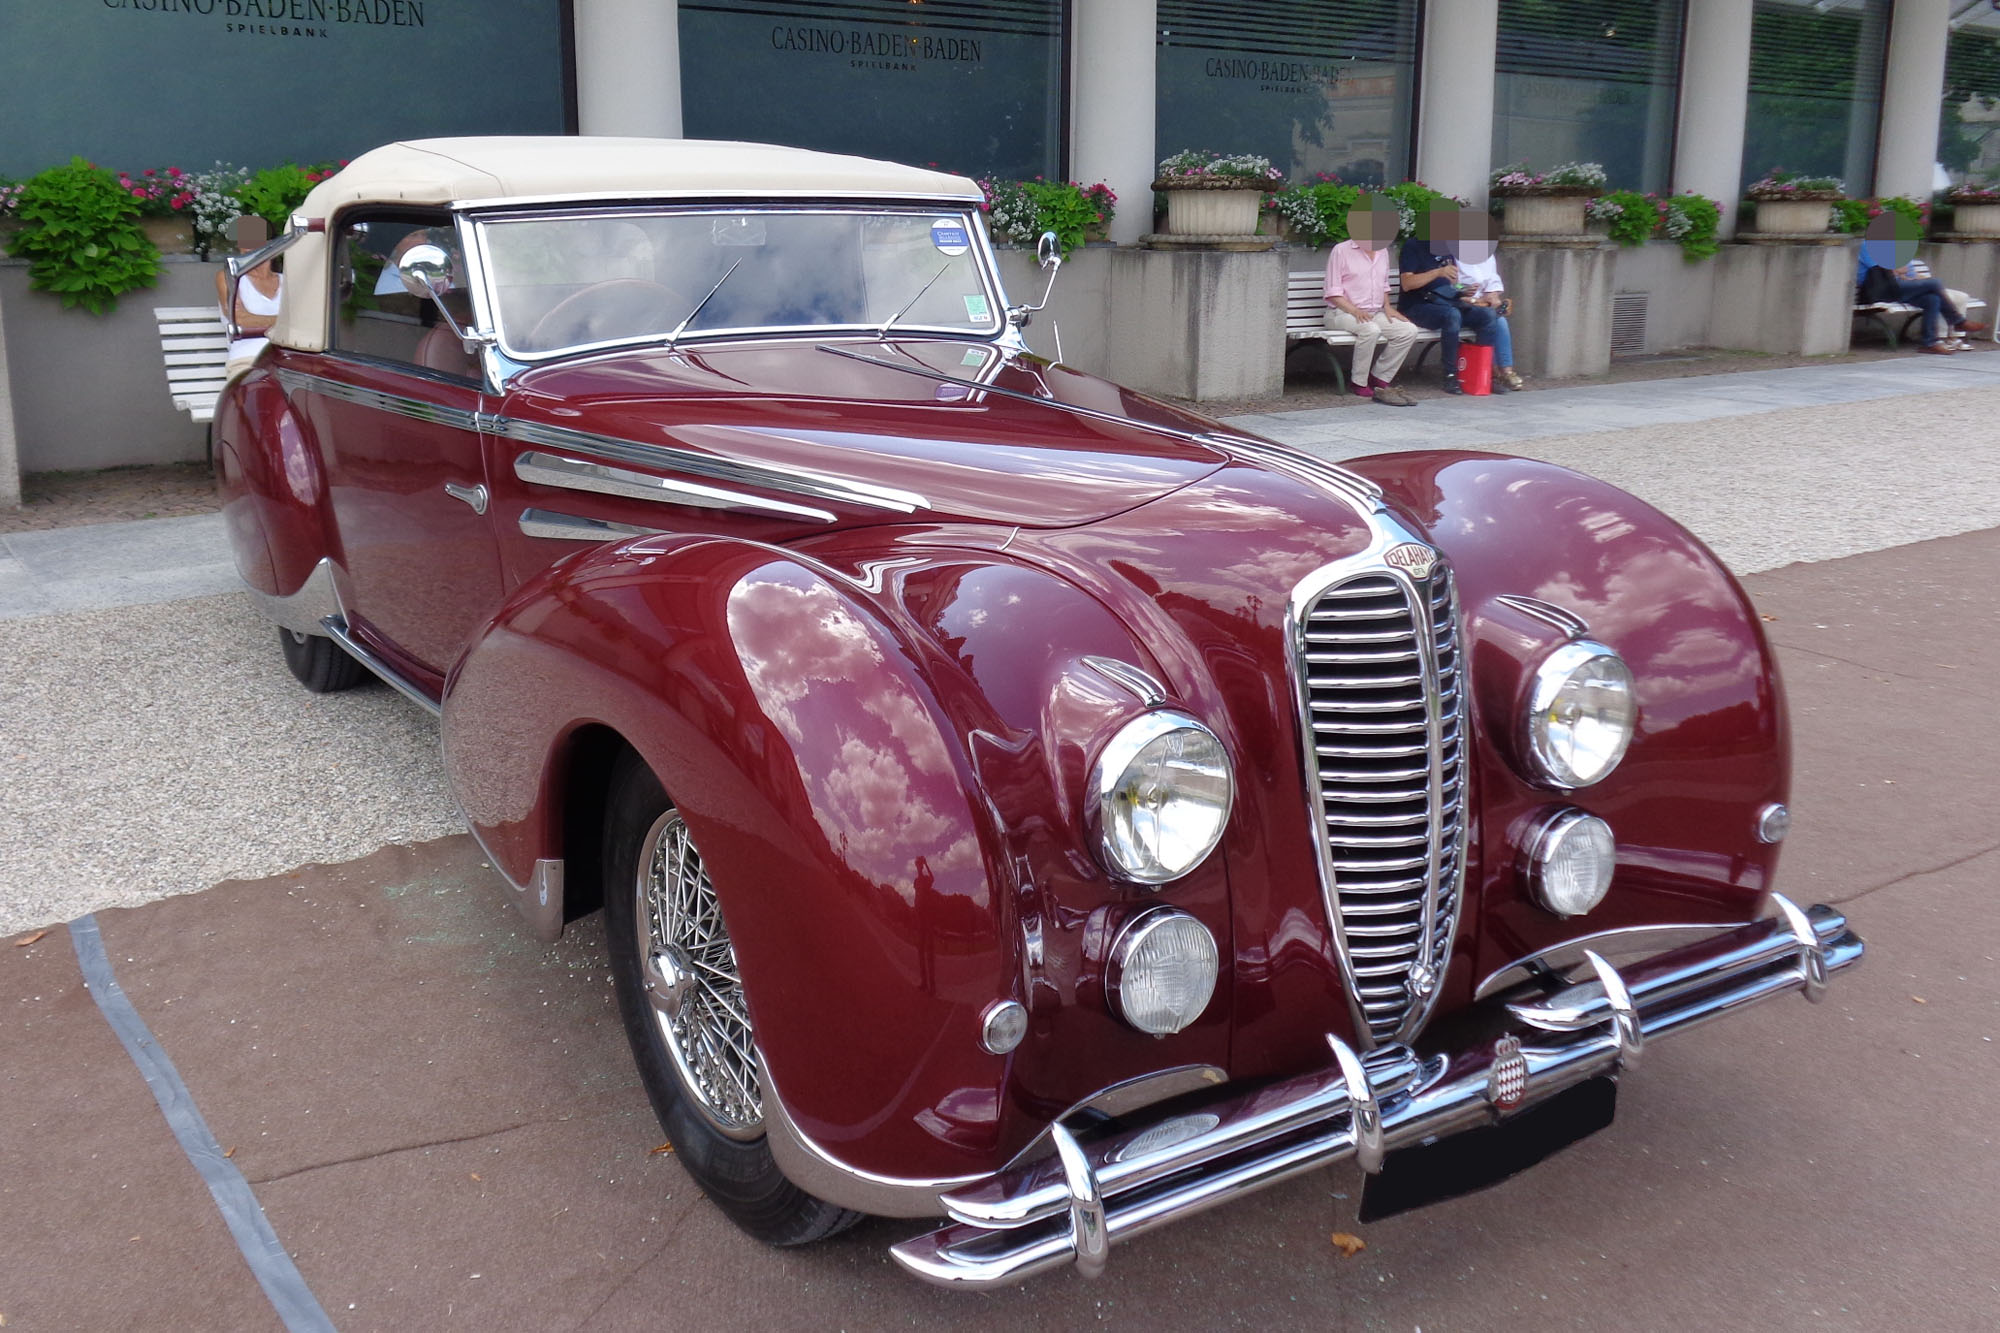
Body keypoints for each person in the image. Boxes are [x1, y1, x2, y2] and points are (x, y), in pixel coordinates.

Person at [1322, 194, 1420, 406]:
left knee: (1408, 331)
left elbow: (1383, 285)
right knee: (1371, 329)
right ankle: (1358, 382)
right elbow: (1333, 292)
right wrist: (1354, 311)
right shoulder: (1341, 251)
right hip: (1341, 314)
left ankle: (1380, 378)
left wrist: (1388, 308)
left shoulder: (1383, 251)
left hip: (1374, 312)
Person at [1397, 205, 1498, 393]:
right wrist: (1438, 272)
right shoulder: (1414, 246)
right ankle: (1450, 375)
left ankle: (1482, 373)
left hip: (1445, 302)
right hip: (1417, 306)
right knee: (1452, 315)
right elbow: (1407, 283)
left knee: (1487, 316)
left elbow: (1451, 283)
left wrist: (1463, 290)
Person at [1857, 212, 1985, 353]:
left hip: (1896, 288)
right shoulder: (1867, 245)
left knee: (1932, 299)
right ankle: (1958, 321)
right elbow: (1884, 268)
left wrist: (1902, 271)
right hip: (1879, 290)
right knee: (1934, 283)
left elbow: (1904, 270)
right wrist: (1898, 269)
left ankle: (1929, 343)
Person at [1451, 211, 1524, 392]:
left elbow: (1493, 281)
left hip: (1485, 306)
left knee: (1499, 320)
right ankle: (1495, 371)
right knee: (1494, 320)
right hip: (1463, 304)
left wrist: (1493, 295)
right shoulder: (1452, 253)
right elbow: (1451, 285)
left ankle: (1504, 371)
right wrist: (1467, 293)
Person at [216, 255, 282, 383]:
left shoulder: (288, 281)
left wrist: (257, 319)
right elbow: (239, 319)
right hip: (248, 360)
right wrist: (286, 321)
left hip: (289, 360)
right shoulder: (230, 278)